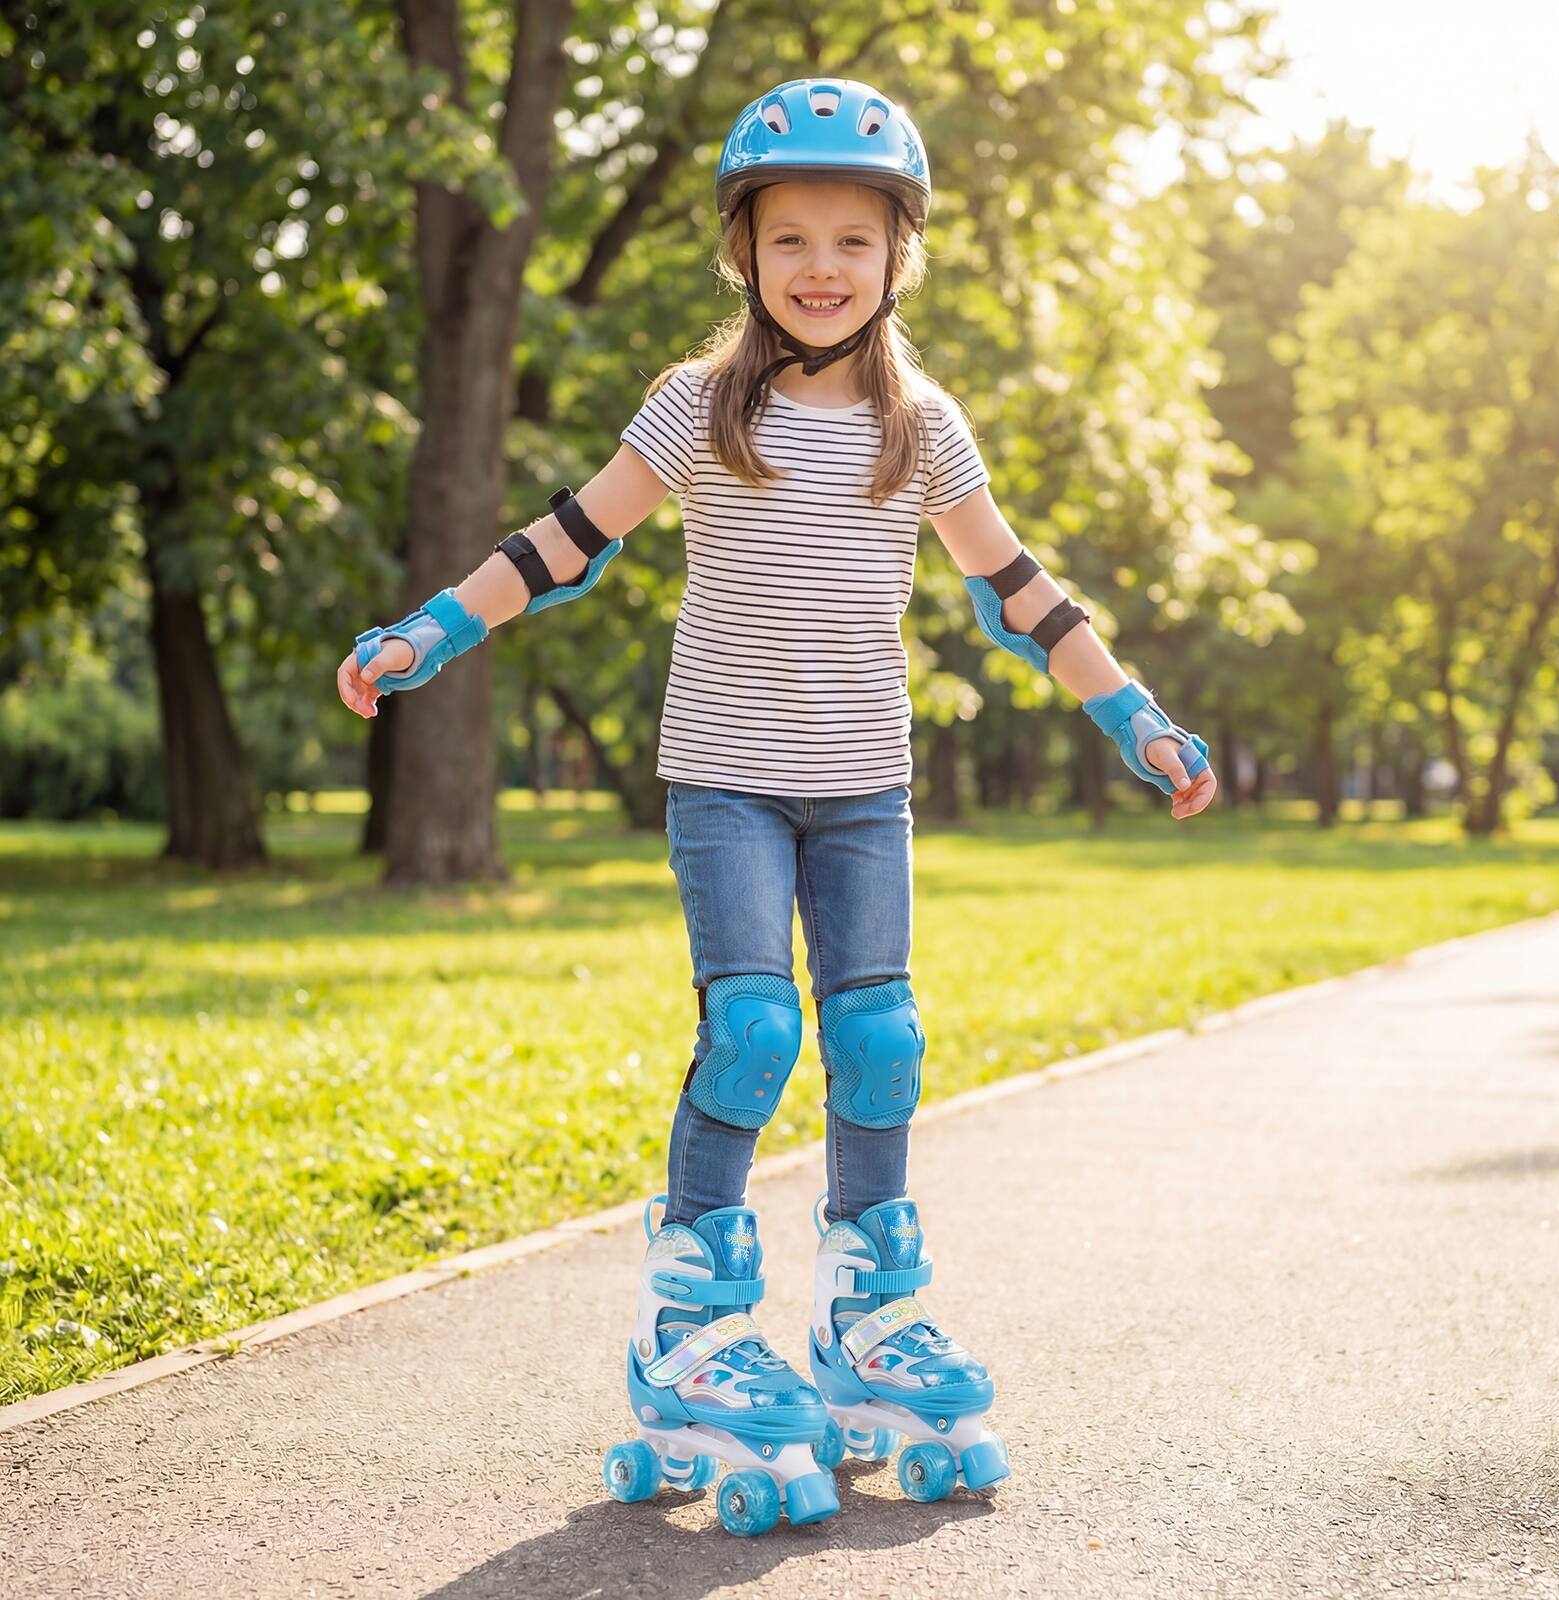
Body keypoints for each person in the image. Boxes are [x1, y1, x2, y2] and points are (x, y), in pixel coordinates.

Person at [337, 77, 1215, 1537]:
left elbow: (1017, 590)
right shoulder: (699, 407)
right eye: (790, 236)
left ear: (896, 261)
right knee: (753, 1028)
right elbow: (565, 539)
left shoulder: (919, 424)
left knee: (881, 1040)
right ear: (744, 253)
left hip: (865, 787)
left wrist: (1133, 714)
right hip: (729, 779)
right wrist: (431, 630)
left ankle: (872, 1317)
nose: (822, 266)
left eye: (853, 242)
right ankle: (689, 1324)